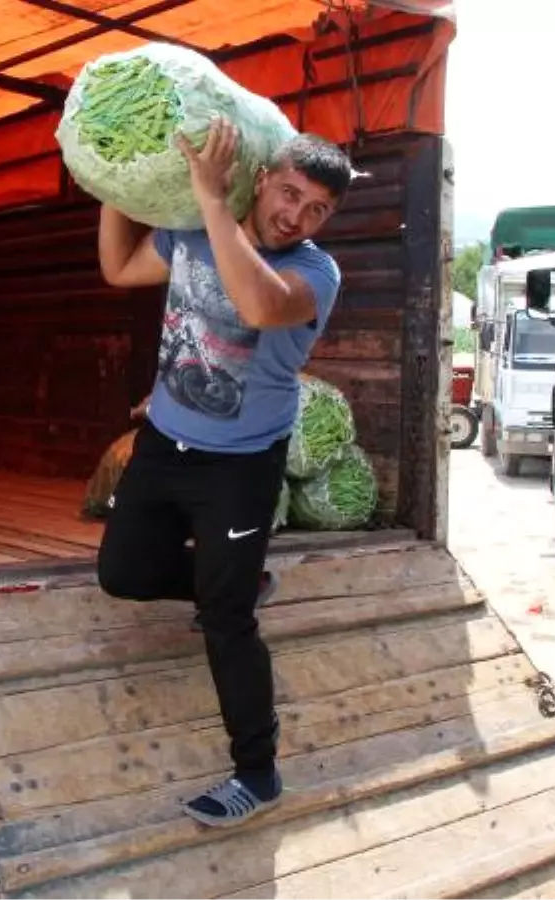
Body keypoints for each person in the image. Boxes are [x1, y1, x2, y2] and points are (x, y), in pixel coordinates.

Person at [95, 118, 352, 828]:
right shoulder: (190, 231)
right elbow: (118, 270)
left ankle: (258, 773)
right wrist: (119, 179)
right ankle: (237, 577)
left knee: (225, 620)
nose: (294, 215)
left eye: (315, 210)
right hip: (163, 444)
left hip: (239, 468)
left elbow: (257, 305)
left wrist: (211, 203)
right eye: (290, 193)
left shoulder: (314, 274)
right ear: (264, 176)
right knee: (122, 573)